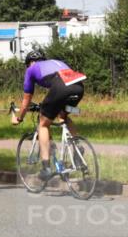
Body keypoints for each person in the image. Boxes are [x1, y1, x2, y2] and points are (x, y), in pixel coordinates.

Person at [11, 49, 86, 179]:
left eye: (27, 65)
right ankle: (77, 147)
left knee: (43, 124)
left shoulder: (31, 69)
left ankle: (46, 167)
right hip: (78, 86)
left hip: (61, 86)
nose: (28, 68)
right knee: (63, 115)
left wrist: (19, 118)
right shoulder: (56, 62)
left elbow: (26, 100)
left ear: (31, 62)